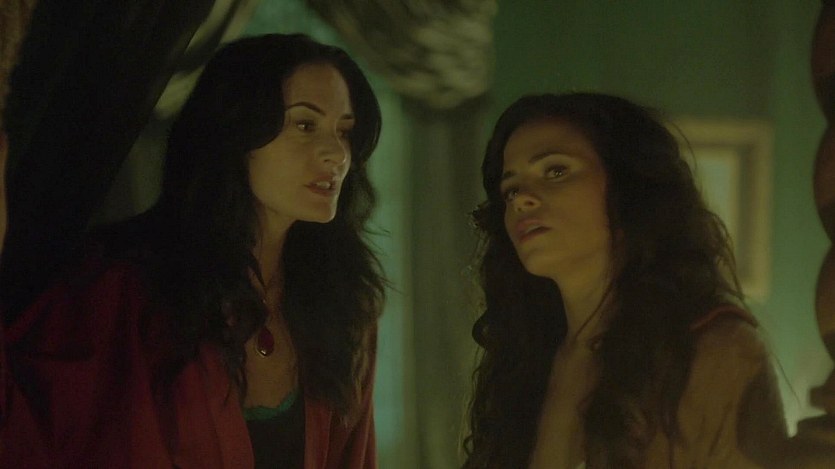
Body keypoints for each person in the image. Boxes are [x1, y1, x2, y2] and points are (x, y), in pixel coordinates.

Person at [0, 33, 385, 469]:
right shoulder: (122, 289)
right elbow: (25, 432)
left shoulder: (344, 305)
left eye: (344, 131)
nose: (336, 154)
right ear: (236, 134)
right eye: (305, 125)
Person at [462, 93, 788, 468]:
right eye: (511, 189)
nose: (522, 200)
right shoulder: (527, 360)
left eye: (555, 171)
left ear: (628, 187)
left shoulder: (714, 351)